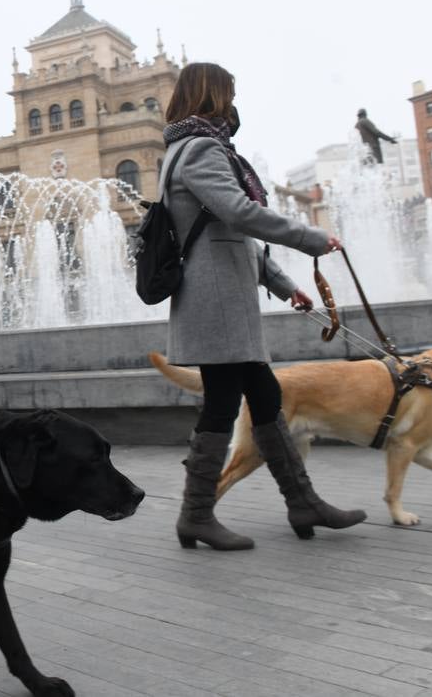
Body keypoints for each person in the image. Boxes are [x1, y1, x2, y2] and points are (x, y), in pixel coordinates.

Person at [162, 63, 366, 551]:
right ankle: (197, 514)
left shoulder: (181, 150)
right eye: (229, 93)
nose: (235, 103)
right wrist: (310, 238)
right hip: (217, 303)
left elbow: (223, 234)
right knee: (222, 406)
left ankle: (302, 501)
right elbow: (240, 213)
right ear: (214, 95)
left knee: (267, 398)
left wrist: (281, 283)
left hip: (221, 298)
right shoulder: (201, 149)